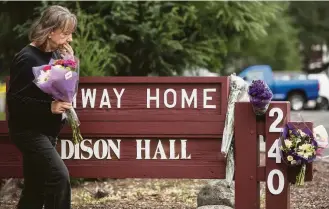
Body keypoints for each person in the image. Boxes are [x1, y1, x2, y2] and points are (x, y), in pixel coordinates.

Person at [6, 5, 77, 209]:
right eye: (65, 34)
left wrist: (69, 63)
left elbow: (60, 88)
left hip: (47, 131)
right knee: (59, 177)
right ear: (50, 31)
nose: (70, 39)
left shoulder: (55, 55)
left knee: (35, 189)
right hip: (28, 132)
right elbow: (15, 103)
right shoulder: (26, 58)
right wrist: (49, 107)